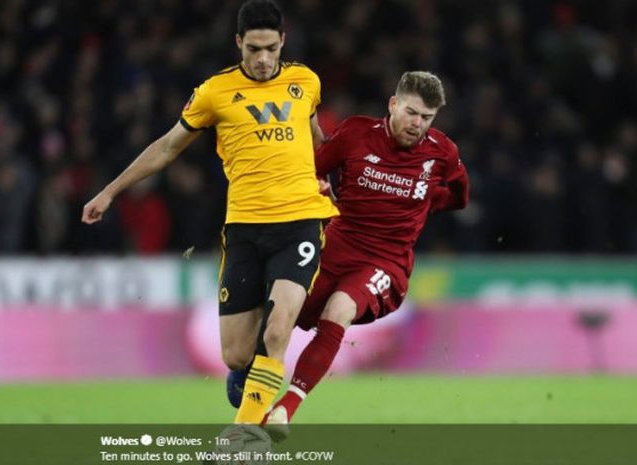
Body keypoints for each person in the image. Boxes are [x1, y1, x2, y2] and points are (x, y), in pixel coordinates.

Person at [81, 0, 338, 425]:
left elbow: (315, 137)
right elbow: (167, 147)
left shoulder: (304, 81)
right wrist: (111, 191)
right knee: (237, 354)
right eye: (253, 49)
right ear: (238, 42)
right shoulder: (214, 93)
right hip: (244, 230)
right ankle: (255, 379)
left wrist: (326, 171)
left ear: (282, 43)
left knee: (277, 332)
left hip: (300, 224)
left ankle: (243, 441)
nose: (262, 59)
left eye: (270, 49)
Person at [261, 71, 470, 434]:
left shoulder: (442, 152)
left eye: (426, 118)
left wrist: (423, 202)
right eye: (411, 112)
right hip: (337, 244)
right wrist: (318, 187)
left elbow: (458, 197)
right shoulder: (356, 133)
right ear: (393, 104)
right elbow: (311, 170)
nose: (417, 124)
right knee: (281, 318)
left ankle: (286, 409)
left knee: (339, 309)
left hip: (386, 262)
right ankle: (253, 406)